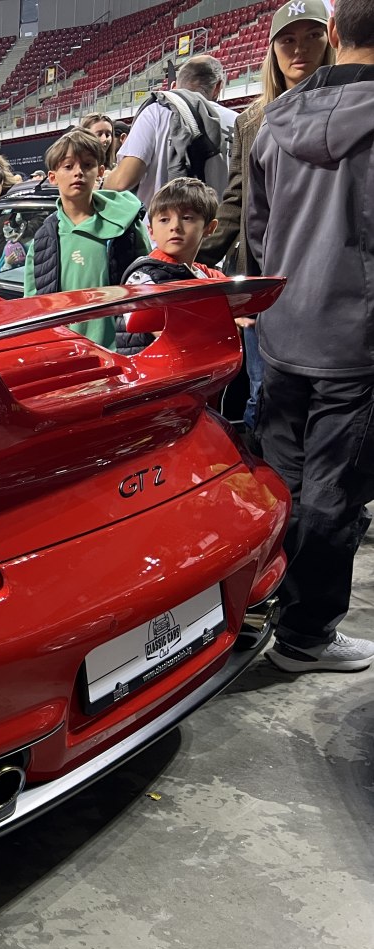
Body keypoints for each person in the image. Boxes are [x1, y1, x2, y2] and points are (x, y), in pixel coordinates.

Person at [248, 0, 374, 673]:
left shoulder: (272, 121)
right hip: (355, 339)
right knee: (333, 495)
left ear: (331, 35)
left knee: (284, 482)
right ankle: (304, 636)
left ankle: (267, 607)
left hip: (282, 328)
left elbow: (256, 233)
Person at [197, 0, 334, 441]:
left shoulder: (348, 105)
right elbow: (239, 202)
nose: (301, 50)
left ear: (330, 40)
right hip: (273, 283)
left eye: (312, 36)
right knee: (268, 396)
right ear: (273, 51)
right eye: (288, 40)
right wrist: (187, 261)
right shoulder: (254, 120)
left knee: (332, 405)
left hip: (335, 276)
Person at [23, 127, 149, 349]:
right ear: (52, 177)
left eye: (87, 165)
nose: (78, 172)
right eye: (68, 166)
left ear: (100, 172)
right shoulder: (43, 240)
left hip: (120, 352)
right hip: (64, 353)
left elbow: (146, 285)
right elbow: (33, 307)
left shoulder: (127, 226)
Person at [115, 177, 229, 355]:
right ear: (150, 230)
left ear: (210, 227)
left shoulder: (202, 274)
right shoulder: (143, 276)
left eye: (187, 218)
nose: (175, 227)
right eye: (164, 220)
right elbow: (164, 331)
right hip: (153, 375)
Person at [104, 55, 238, 203]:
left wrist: (103, 182)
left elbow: (122, 181)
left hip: (159, 222)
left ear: (174, 86)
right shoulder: (238, 121)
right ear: (218, 86)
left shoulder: (155, 112)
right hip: (218, 222)